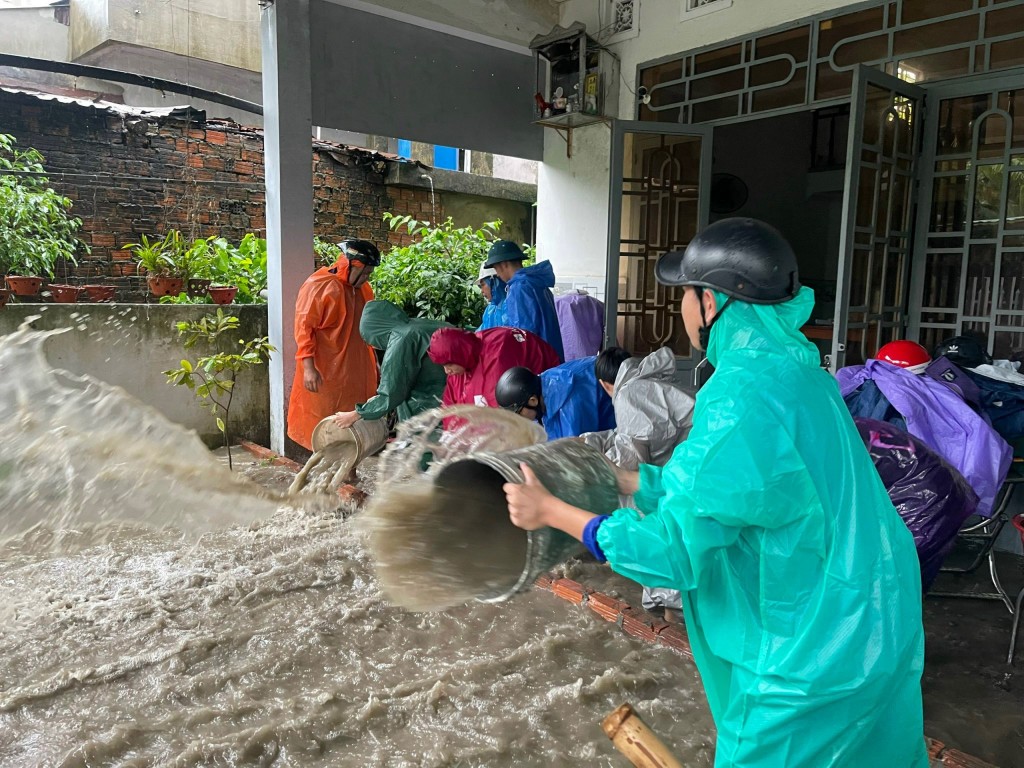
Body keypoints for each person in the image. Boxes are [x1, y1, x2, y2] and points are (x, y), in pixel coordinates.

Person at [504, 217, 929, 768]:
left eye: (685, 293)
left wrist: (555, 512)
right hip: (876, 619)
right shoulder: (799, 374)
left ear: (712, 303)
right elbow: (741, 493)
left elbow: (670, 552)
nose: (680, 307)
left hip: (809, 658)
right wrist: (629, 480)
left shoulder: (738, 398)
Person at [286, 239, 380, 451]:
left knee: (354, 421)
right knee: (322, 417)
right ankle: (321, 463)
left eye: (369, 274)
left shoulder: (363, 289)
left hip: (356, 368)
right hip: (325, 368)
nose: (367, 278)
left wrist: (374, 363)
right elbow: (304, 327)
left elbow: (368, 328)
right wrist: (308, 367)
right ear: (350, 265)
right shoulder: (320, 286)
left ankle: (350, 468)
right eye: (364, 273)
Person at [331, 300, 449, 431]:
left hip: (435, 400)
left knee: (423, 440)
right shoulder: (421, 325)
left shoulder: (401, 339)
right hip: (458, 390)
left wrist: (355, 414)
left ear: (375, 333)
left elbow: (392, 393)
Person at [581, 346, 695, 470]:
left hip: (699, 446)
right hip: (705, 427)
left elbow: (632, 462)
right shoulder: (646, 379)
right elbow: (630, 434)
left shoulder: (627, 396)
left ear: (604, 384)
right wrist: (589, 441)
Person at [428, 326, 560, 408]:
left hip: (551, 385)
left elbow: (503, 414)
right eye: (443, 366)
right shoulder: (460, 365)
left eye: (449, 364)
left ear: (460, 354)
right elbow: (450, 406)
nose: (447, 371)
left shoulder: (498, 359)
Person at [495, 359, 615, 440]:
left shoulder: (571, 409)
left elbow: (578, 455)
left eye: (517, 414)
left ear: (533, 401)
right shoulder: (547, 381)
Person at [483, 240, 564, 360]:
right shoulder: (536, 282)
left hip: (537, 360)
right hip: (551, 355)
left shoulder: (519, 288)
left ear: (504, 264)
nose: (498, 275)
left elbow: (523, 333)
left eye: (496, 269)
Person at [554, 290, 605, 361]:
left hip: (560, 361)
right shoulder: (597, 305)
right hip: (588, 362)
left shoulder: (557, 303)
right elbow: (608, 337)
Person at [476, 264, 508, 331]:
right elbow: (481, 333)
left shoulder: (512, 305)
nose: (482, 291)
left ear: (495, 282)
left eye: (483, 285)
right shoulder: (490, 309)